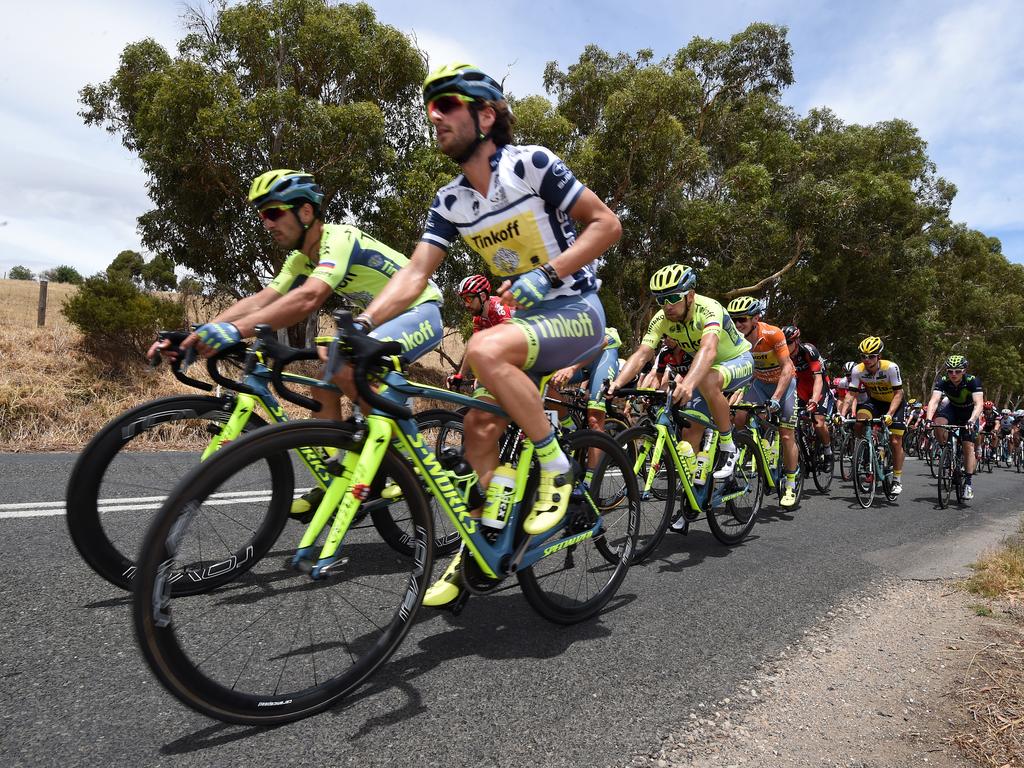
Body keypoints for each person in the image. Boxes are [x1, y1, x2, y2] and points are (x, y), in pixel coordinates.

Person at [353, 63, 622, 608]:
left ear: (486, 114)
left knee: (482, 346)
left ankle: (555, 466)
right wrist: (363, 324)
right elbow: (414, 275)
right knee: (476, 427)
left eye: (446, 105)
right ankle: (485, 546)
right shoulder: (450, 201)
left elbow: (607, 225)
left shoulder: (532, 165)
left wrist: (547, 273)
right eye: (430, 107)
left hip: (576, 309)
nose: (434, 116)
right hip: (523, 329)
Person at [149, 169, 446, 517]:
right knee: (326, 380)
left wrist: (235, 331)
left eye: (273, 212)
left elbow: (310, 297)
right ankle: (343, 470)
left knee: (345, 366)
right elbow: (263, 300)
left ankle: (399, 461)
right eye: (262, 216)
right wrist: (200, 331)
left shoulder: (339, 238)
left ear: (305, 212)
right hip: (382, 318)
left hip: (421, 309)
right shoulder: (301, 258)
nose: (267, 223)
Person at [611, 265, 754, 479]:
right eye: (661, 300)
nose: (667, 306)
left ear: (690, 295)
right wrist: (617, 383)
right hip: (706, 370)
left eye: (673, 297)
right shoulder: (661, 320)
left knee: (706, 380)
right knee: (689, 433)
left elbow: (708, 349)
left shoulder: (709, 308)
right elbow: (643, 353)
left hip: (737, 359)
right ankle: (697, 488)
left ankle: (728, 444)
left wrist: (687, 384)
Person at [726, 297, 799, 508]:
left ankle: (790, 484)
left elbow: (786, 367)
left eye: (742, 320)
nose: (738, 324)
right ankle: (756, 446)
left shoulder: (772, 334)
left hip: (784, 384)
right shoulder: (735, 338)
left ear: (756, 318)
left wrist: (776, 398)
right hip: (759, 383)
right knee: (738, 418)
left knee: (786, 435)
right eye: (734, 320)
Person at [843, 336, 907, 495]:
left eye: (871, 356)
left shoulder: (890, 368)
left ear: (879, 356)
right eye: (863, 356)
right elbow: (851, 394)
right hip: (876, 402)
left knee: (895, 440)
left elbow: (899, 393)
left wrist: (890, 414)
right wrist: (841, 414)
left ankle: (897, 479)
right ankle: (864, 451)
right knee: (859, 422)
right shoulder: (857, 370)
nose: (866, 360)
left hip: (894, 403)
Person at [924, 354, 984, 499]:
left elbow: (979, 404)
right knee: (937, 423)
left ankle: (968, 484)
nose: (953, 374)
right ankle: (946, 450)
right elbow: (934, 401)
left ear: (964, 370)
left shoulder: (972, 381)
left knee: (968, 446)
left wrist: (972, 420)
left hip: (969, 413)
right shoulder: (943, 381)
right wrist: (927, 419)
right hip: (953, 409)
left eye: (957, 371)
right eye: (950, 371)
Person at [446, 274, 513, 391]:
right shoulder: (478, 319)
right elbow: (474, 347)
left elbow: (509, 345)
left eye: (469, 298)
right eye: (464, 299)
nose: (466, 304)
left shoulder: (500, 308)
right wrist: (460, 375)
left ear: (482, 296)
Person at [783, 325, 835, 469]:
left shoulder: (808, 350)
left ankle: (828, 450)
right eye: (783, 343)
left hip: (817, 386)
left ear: (796, 341)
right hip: (799, 387)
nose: (785, 346)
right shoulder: (781, 354)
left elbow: (818, 378)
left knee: (818, 422)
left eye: (789, 343)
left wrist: (814, 398)